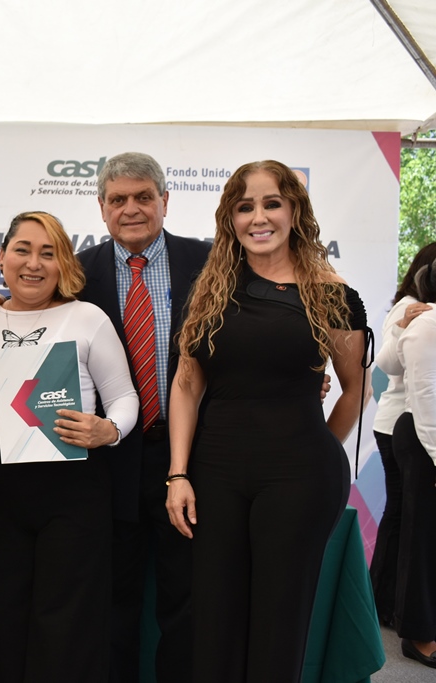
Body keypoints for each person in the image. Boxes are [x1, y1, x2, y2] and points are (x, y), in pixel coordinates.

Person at [0, 152, 210, 683]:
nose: (131, 208)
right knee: (105, 605)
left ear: (165, 200)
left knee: (188, 599)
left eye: (143, 197)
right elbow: (33, 300)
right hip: (105, 466)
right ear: (101, 207)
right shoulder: (80, 271)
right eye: (118, 199)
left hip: (187, 458)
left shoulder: (210, 261)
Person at [165, 160, 368, 683]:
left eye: (272, 203)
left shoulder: (332, 294)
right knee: (214, 620)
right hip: (215, 474)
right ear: (230, 219)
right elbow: (186, 385)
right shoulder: (210, 289)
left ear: (294, 211)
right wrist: (178, 473)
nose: (259, 217)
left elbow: (355, 388)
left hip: (300, 477)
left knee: (280, 623)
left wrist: (317, 448)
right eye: (244, 206)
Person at [0, 211, 139, 682]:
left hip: (75, 484)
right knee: (6, 611)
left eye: (48, 253)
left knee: (66, 620)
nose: (34, 263)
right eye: (22, 250)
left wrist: (109, 430)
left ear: (64, 263)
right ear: (2, 257)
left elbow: (124, 397)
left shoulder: (87, 317)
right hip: (7, 482)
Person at [370, 242, 436, 626]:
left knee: (405, 514)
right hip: (400, 421)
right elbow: (388, 363)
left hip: (411, 421)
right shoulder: (409, 307)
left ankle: (390, 602)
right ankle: (381, 602)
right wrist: (403, 326)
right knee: (401, 514)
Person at [388, 254, 436, 667]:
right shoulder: (424, 323)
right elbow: (425, 397)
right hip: (423, 438)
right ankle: (418, 635)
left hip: (427, 437)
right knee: (419, 537)